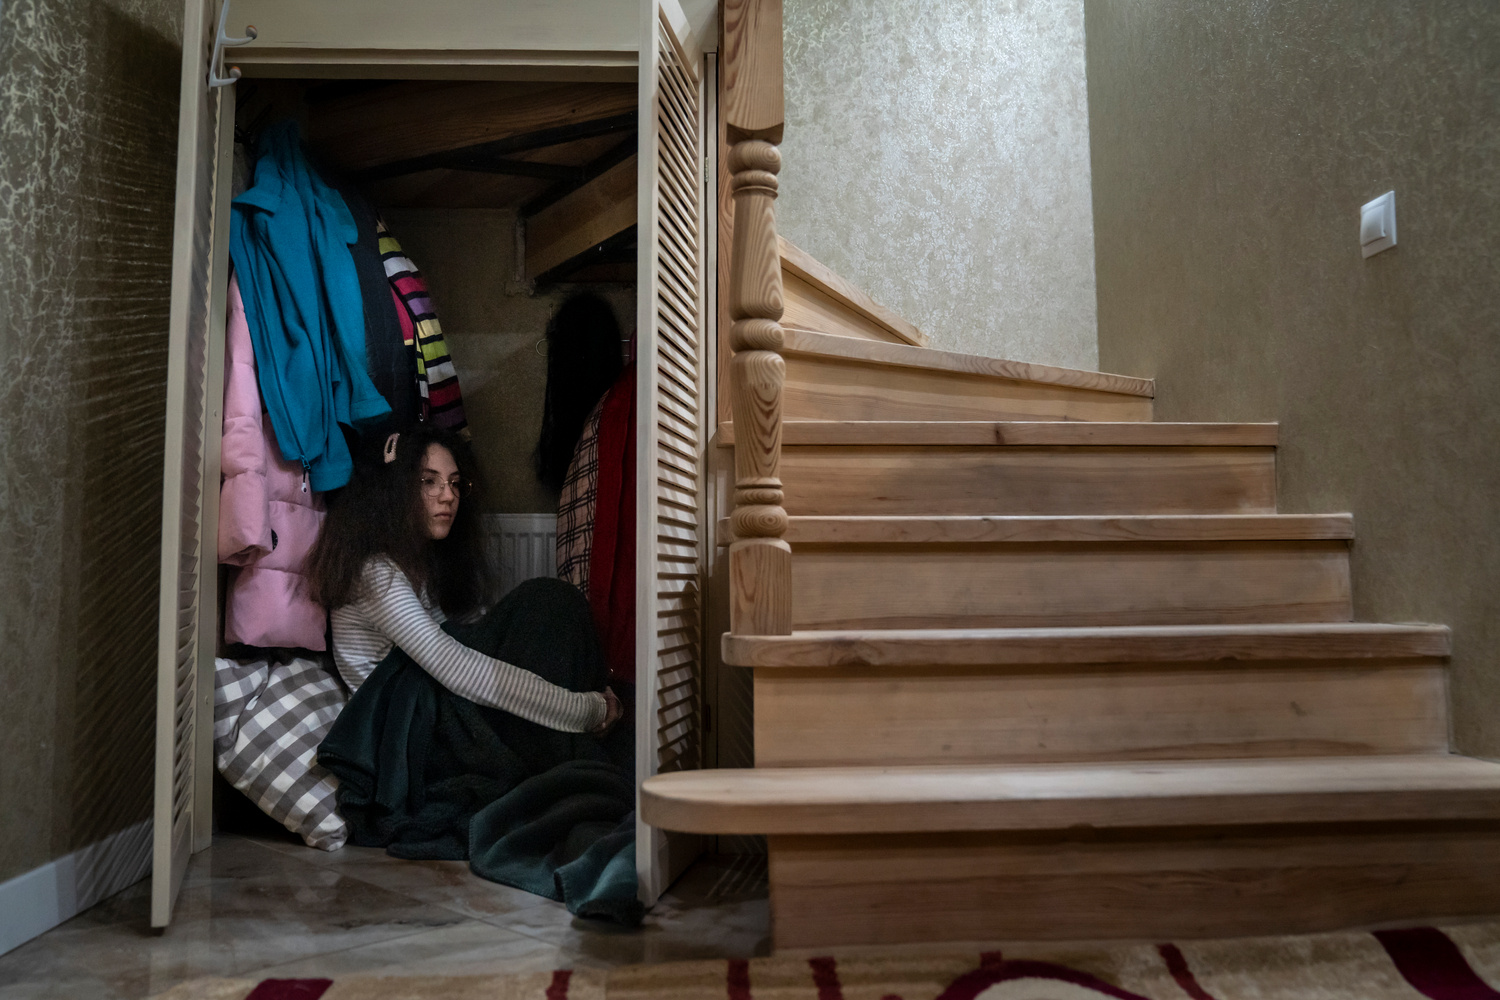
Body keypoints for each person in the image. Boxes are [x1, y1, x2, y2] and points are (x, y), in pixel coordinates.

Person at [308, 424, 623, 742]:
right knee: (546, 598)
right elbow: (454, 665)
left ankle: (595, 710)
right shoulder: (376, 572)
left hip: (429, 707)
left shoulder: (419, 560)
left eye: (455, 483)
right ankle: (595, 719)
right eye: (429, 482)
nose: (448, 496)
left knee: (548, 611)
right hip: (405, 732)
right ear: (393, 491)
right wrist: (583, 710)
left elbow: (469, 628)